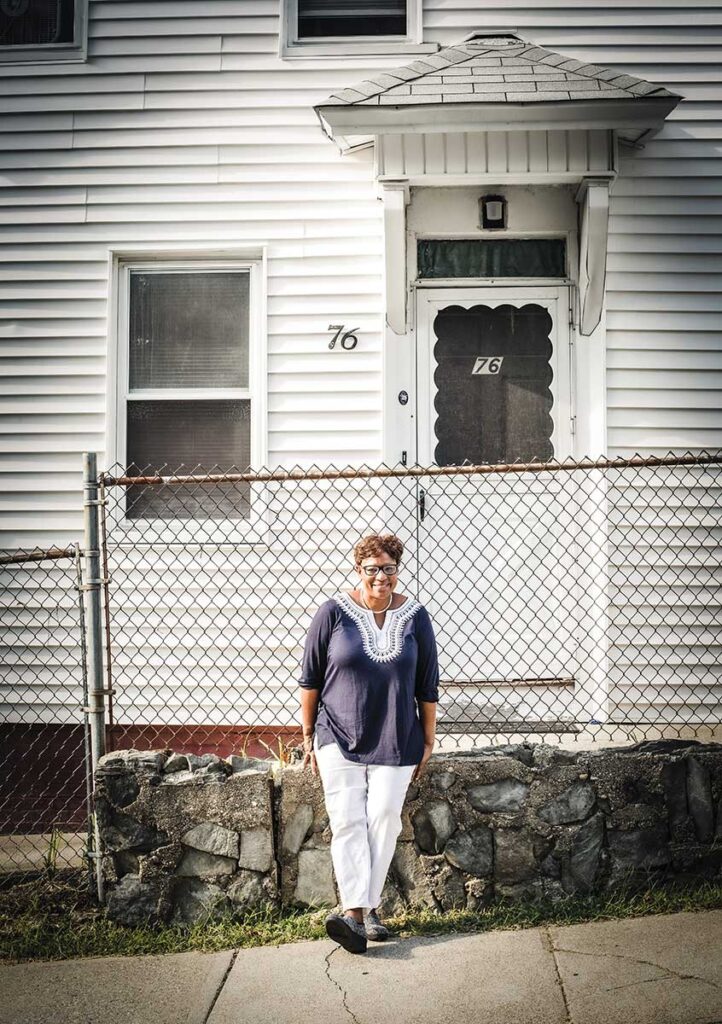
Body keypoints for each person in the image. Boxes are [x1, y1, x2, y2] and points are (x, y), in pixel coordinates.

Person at [298, 532, 439, 954]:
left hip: (397, 734)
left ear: (398, 569)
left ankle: (360, 911)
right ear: (358, 570)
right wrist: (307, 734)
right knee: (347, 820)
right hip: (337, 733)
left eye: (389, 568)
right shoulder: (333, 612)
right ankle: (360, 914)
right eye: (372, 569)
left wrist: (429, 737)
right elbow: (310, 679)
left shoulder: (415, 617)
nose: (381, 577)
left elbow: (427, 683)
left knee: (383, 817)